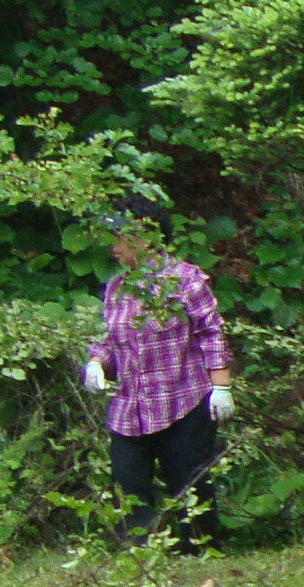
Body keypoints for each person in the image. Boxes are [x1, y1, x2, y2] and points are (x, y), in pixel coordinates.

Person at [83, 198, 236, 549]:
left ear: (146, 239)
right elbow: (112, 338)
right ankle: (137, 558)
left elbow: (210, 332)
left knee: (189, 485)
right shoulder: (117, 287)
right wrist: (96, 362)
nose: (114, 247)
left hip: (182, 400)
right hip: (130, 407)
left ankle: (200, 553)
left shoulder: (185, 280)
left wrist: (221, 386)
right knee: (128, 481)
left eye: (121, 238)